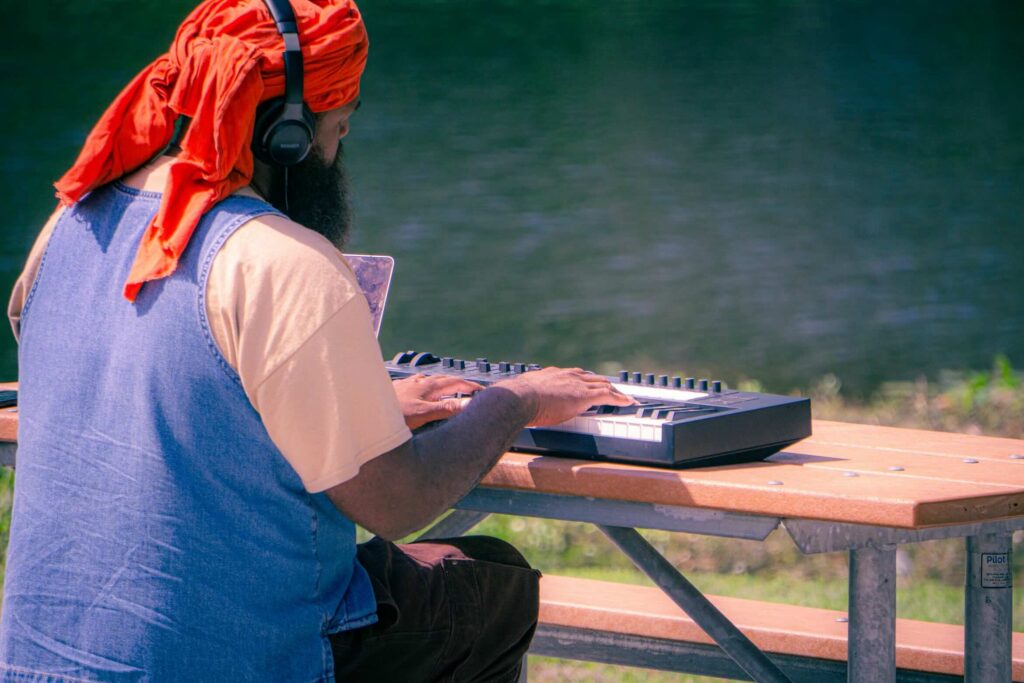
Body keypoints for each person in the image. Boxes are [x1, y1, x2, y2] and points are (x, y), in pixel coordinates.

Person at [0, 0, 633, 681]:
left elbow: (160, 388)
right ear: (290, 133)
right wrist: (515, 399)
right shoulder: (282, 260)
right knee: (492, 589)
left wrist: (366, 403)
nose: (338, 148)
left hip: (44, 661)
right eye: (341, 124)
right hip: (236, 659)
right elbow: (399, 503)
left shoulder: (67, 226)